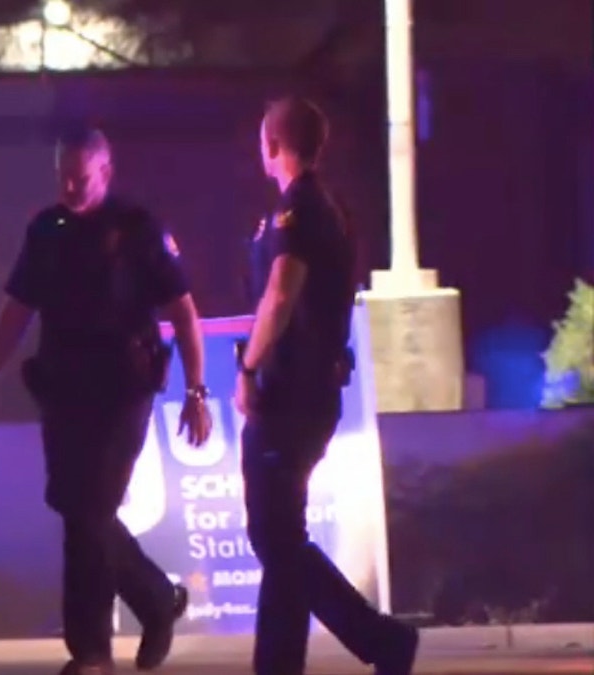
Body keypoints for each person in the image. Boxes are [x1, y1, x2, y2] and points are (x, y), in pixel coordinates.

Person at [0, 126, 213, 675]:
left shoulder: (136, 229)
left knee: (89, 513)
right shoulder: (46, 230)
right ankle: (156, 601)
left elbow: (183, 311)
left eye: (82, 177)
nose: (71, 187)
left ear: (105, 172)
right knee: (75, 508)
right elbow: (16, 311)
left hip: (123, 392)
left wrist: (196, 391)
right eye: (63, 177)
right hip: (64, 390)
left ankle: (92, 653)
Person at [233, 96, 420, 675]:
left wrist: (247, 368)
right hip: (312, 392)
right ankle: (278, 664)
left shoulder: (299, 210)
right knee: (284, 534)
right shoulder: (326, 207)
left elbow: (281, 293)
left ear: (271, 145)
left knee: (272, 535)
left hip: (290, 394)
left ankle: (382, 640)